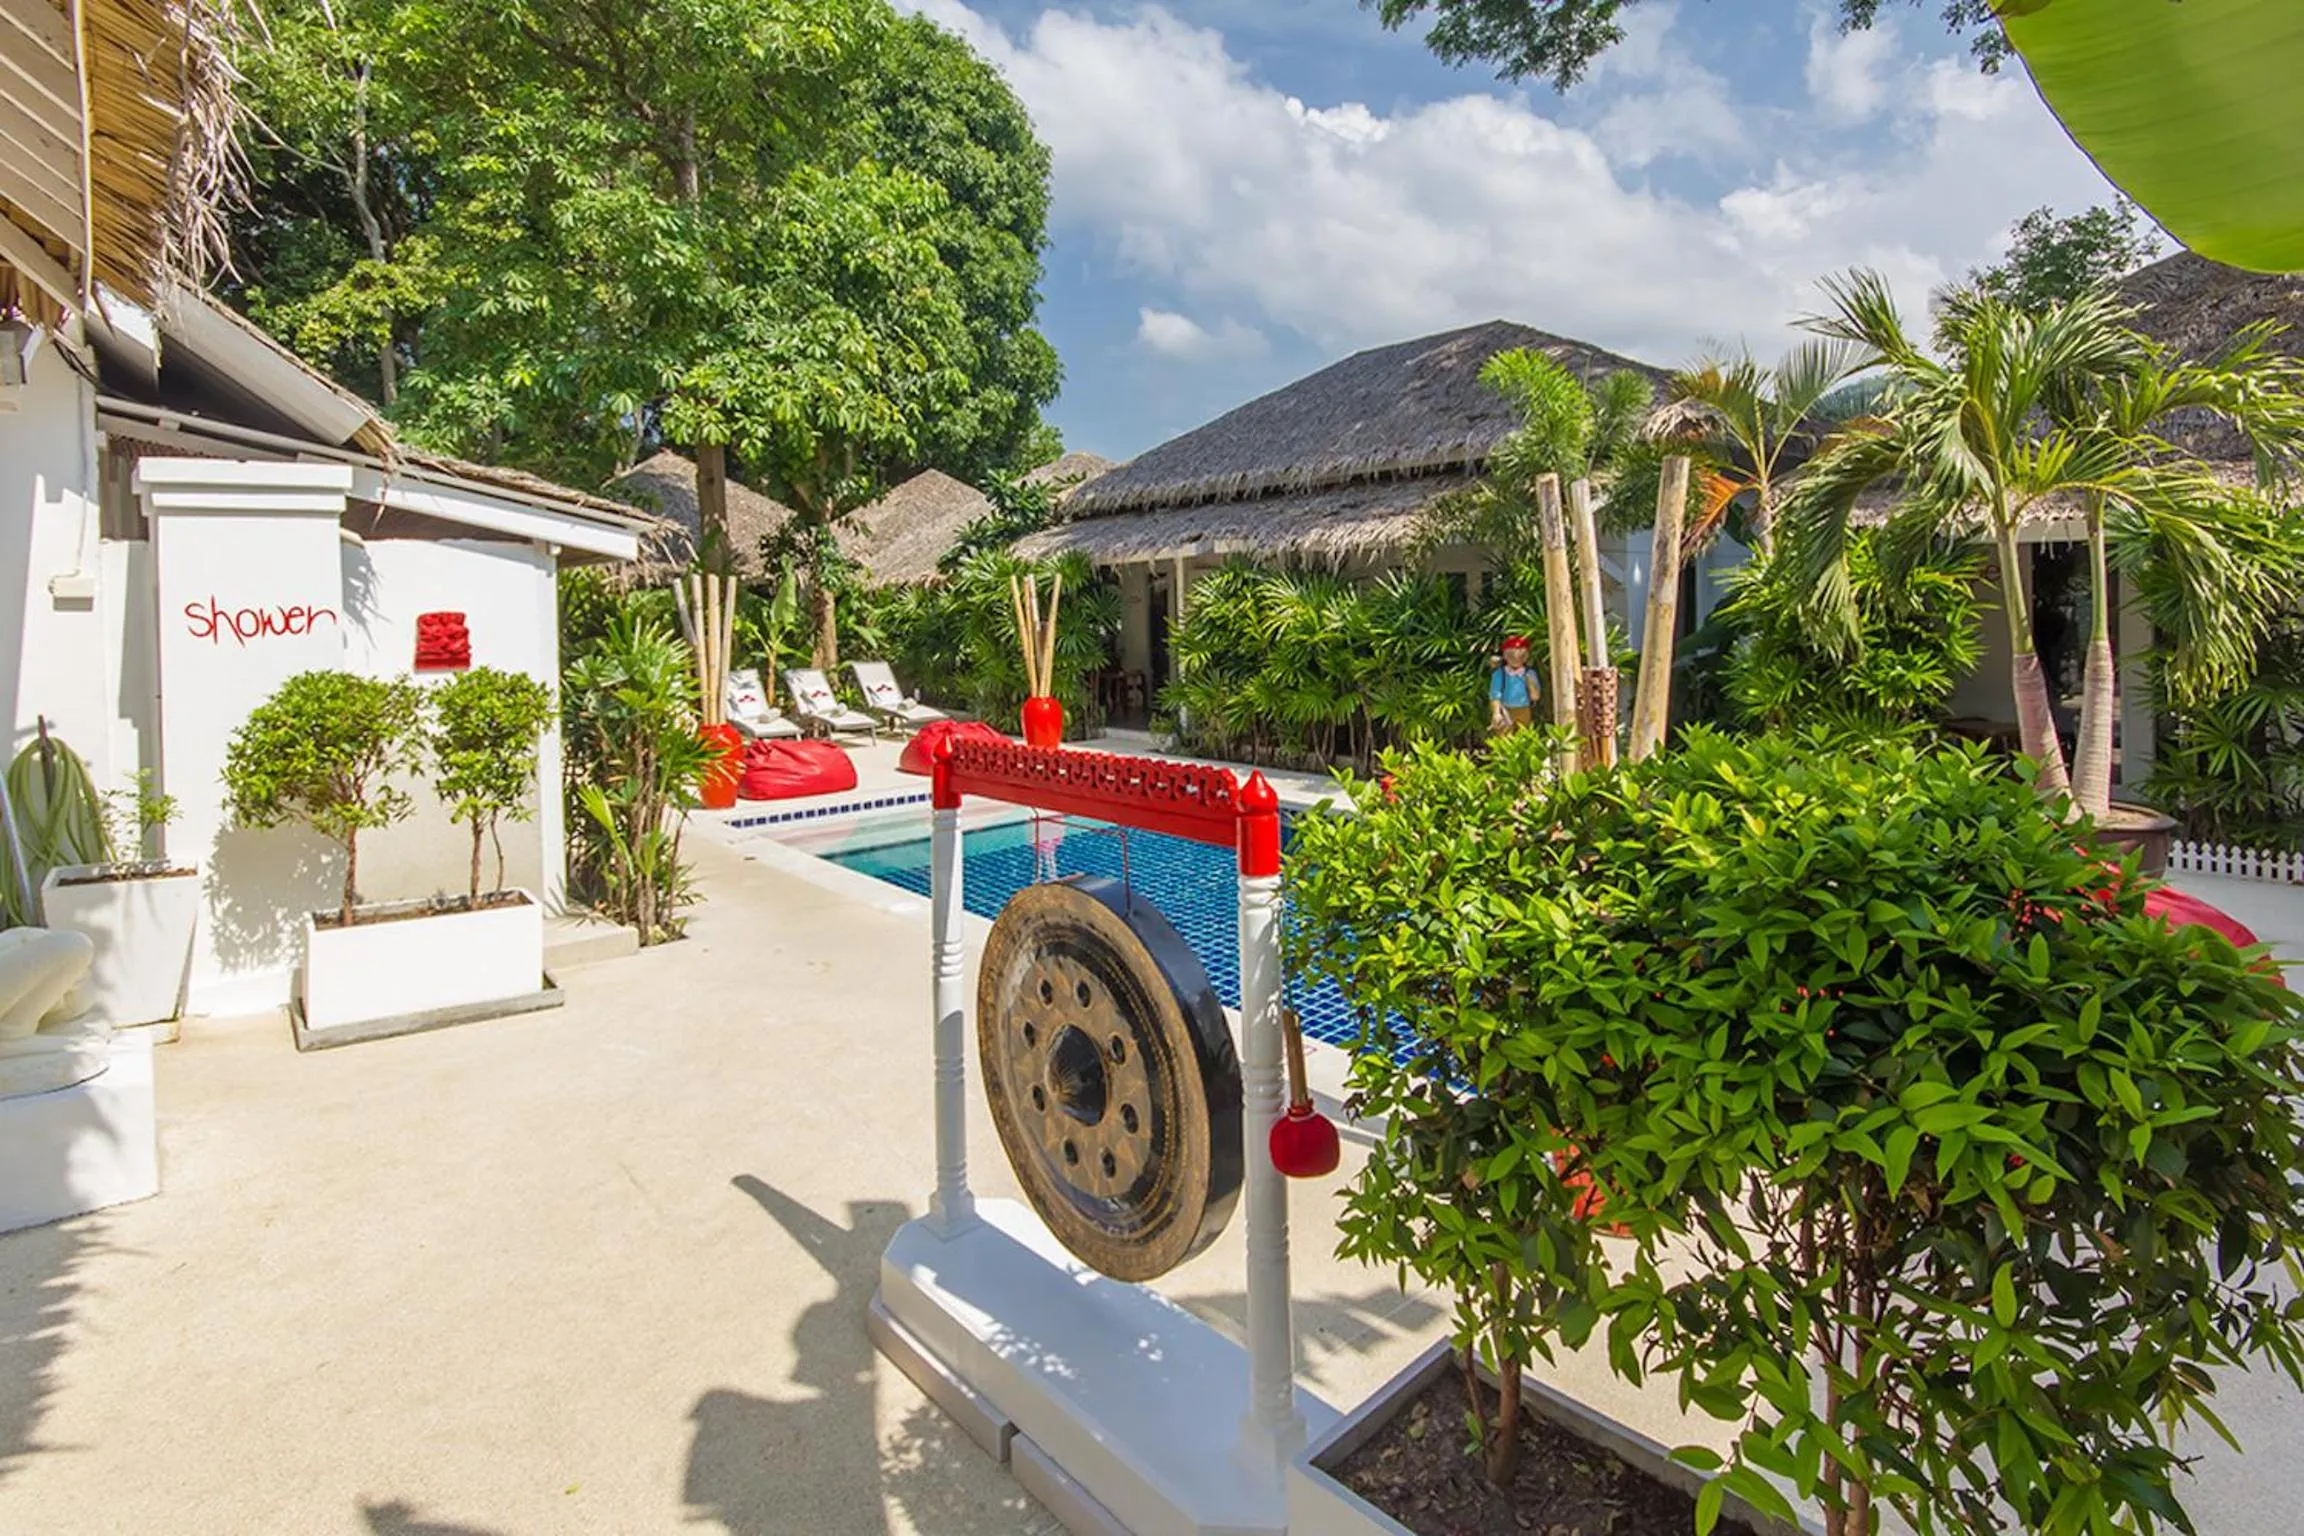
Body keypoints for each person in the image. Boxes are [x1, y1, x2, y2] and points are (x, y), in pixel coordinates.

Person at [1489, 635, 1540, 734]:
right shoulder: (1500, 674)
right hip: (1505, 709)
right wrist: (1496, 713)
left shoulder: (1530, 673)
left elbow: (1535, 697)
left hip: (1524, 709)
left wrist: (1531, 684)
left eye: (1521, 656)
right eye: (1511, 656)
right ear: (1505, 656)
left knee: (1525, 735)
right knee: (1504, 737)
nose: (1516, 659)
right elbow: (1494, 695)